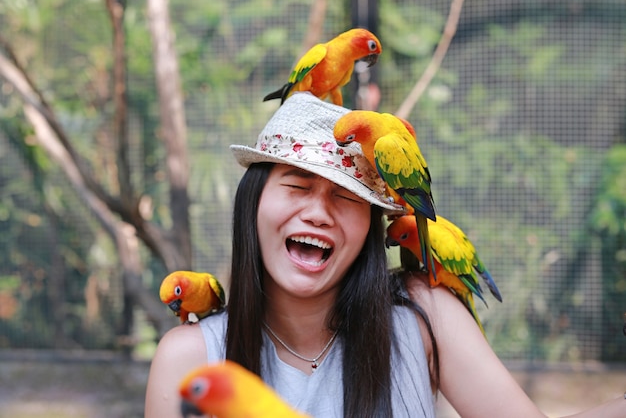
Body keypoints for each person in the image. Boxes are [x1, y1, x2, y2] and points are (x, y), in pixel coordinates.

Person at [145, 92, 625, 417]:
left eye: (347, 197)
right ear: (252, 204)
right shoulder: (190, 359)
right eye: (295, 186)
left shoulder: (426, 316)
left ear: (374, 227)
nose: (317, 213)